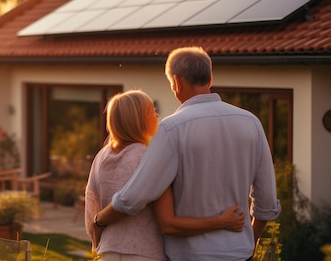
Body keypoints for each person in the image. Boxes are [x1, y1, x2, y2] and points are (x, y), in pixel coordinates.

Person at [93, 47, 281, 261]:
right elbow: (266, 204)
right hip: (240, 254)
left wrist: (99, 220)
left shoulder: (172, 129)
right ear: (210, 78)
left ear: (176, 82)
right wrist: (249, 244)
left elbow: (133, 197)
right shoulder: (251, 123)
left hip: (190, 255)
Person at [85, 89, 245, 261]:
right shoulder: (149, 158)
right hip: (145, 254)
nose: (156, 114)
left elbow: (92, 208)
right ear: (138, 120)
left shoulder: (101, 157)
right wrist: (221, 220)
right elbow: (169, 221)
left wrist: (98, 234)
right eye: (151, 111)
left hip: (108, 252)